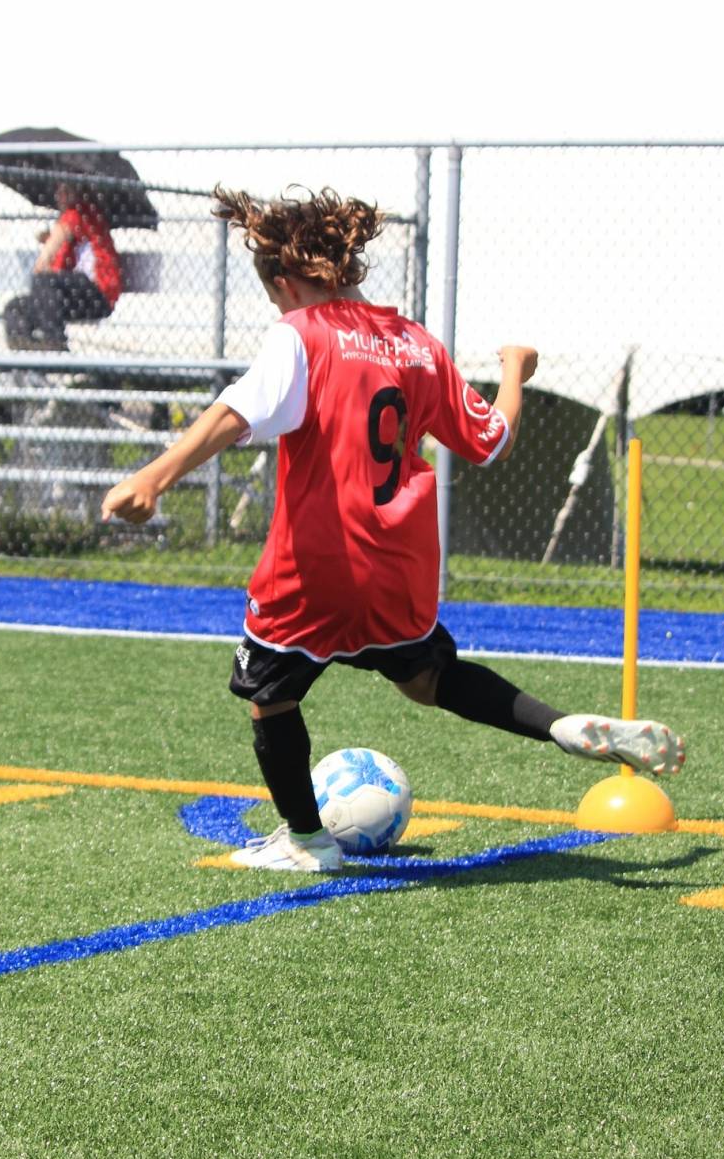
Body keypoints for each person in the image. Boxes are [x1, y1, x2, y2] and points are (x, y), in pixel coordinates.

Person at [101, 186, 685, 873]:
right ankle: (556, 724)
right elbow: (489, 441)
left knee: (272, 695)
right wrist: (513, 371)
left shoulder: (301, 335)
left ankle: (307, 840)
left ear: (286, 282)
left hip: (319, 563)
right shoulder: (415, 343)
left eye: (274, 297)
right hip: (400, 564)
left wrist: (153, 477)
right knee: (426, 678)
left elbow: (237, 412)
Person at [3, 181, 121, 350]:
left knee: (43, 280)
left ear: (78, 193)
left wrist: (48, 249)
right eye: (58, 191)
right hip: (72, 297)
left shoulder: (79, 213)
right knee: (15, 307)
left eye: (66, 191)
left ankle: (55, 341)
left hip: (98, 295)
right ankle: (24, 351)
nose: (59, 196)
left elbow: (43, 263)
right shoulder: (78, 222)